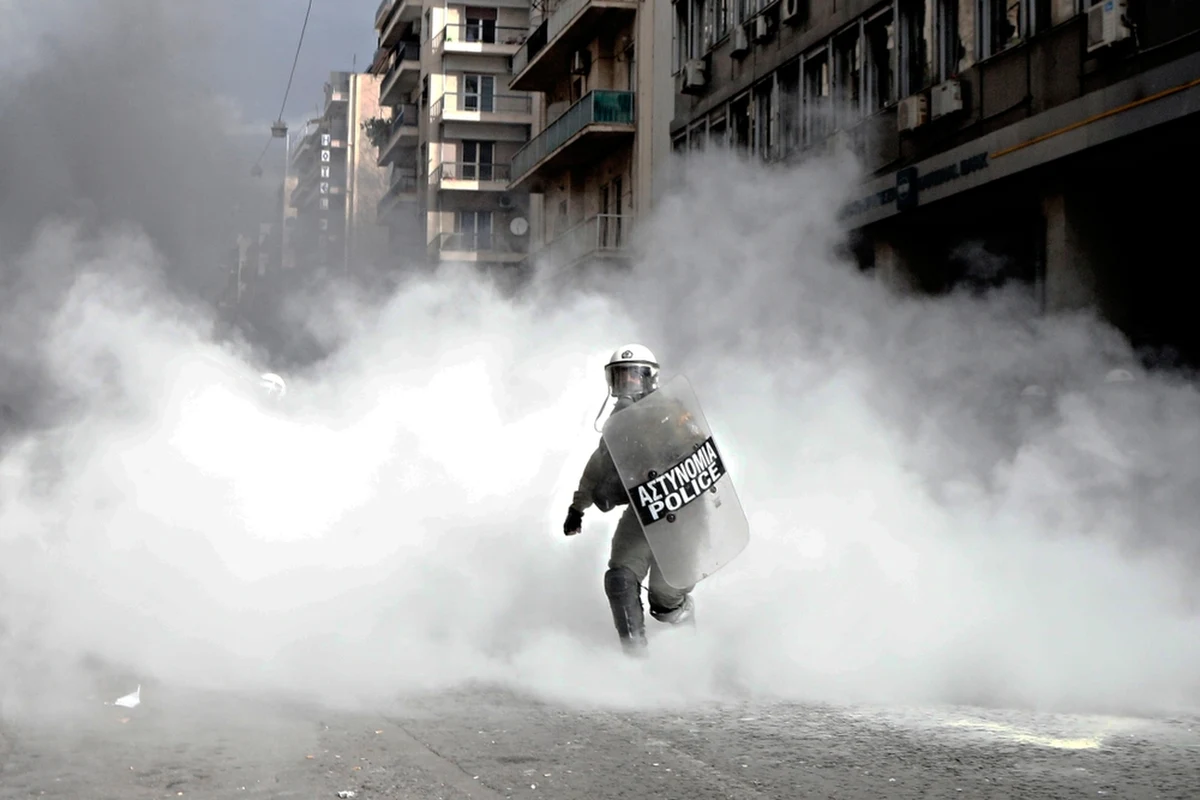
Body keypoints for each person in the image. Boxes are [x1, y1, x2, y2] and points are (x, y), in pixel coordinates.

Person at [562, 344, 696, 654]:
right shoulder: (617, 425)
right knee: (621, 578)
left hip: (683, 512)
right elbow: (599, 466)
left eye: (634, 378)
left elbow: (699, 450)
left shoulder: (673, 412)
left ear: (651, 379)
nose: (627, 386)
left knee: (666, 599)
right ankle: (635, 663)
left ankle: (691, 646)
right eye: (621, 379)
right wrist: (577, 507)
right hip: (644, 510)